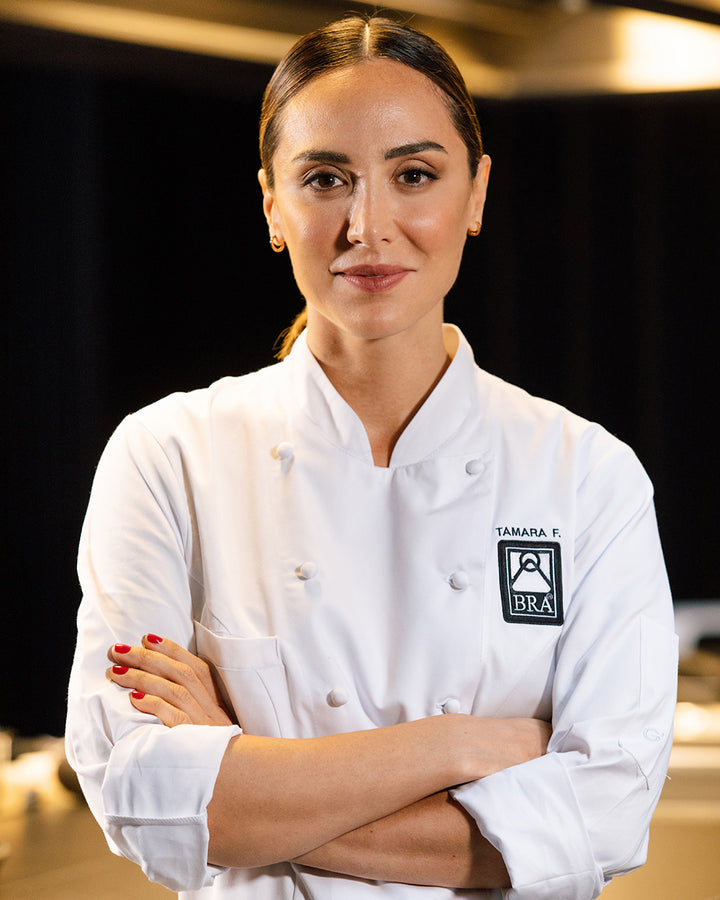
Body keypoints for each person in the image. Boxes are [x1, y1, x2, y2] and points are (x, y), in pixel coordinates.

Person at [65, 14, 678, 900]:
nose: (368, 226)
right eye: (325, 180)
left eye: (414, 175)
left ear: (476, 194)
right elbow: (136, 798)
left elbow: (605, 815)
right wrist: (461, 746)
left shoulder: (588, 476)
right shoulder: (167, 457)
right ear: (273, 207)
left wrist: (243, 781)